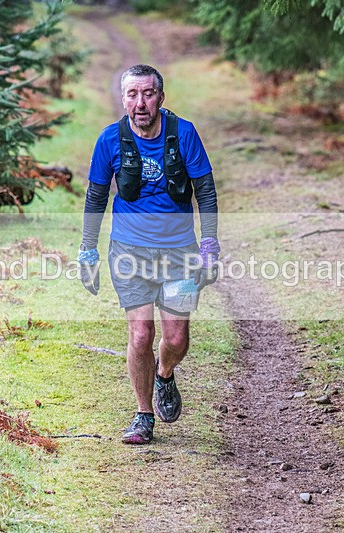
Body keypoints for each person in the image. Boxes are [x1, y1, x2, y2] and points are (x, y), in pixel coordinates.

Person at [78, 64, 220, 444]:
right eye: (132, 95)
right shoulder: (110, 140)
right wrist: (88, 250)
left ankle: (165, 375)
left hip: (180, 255)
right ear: (122, 99)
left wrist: (209, 243)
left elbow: (205, 191)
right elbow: (95, 198)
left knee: (175, 339)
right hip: (129, 254)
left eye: (147, 94)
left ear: (161, 97)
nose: (140, 103)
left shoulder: (184, 134)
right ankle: (143, 416)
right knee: (141, 334)